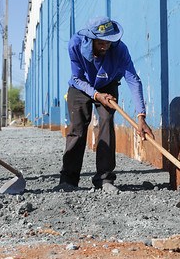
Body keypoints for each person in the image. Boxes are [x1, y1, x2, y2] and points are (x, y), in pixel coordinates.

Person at [59, 16, 153, 193]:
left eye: (109, 43)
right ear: (91, 39)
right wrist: (95, 94)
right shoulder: (75, 43)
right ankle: (68, 179)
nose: (106, 47)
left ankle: (105, 179)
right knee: (77, 128)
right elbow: (78, 77)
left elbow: (133, 80)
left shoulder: (120, 49)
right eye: (102, 43)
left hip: (108, 84)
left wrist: (141, 117)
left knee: (106, 123)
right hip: (80, 85)